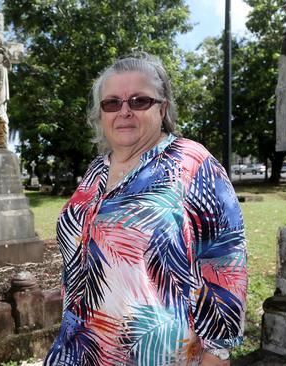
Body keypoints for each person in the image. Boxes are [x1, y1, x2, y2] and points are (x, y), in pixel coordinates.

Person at [45, 53, 247, 366]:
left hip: (155, 355)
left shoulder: (192, 163)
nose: (123, 111)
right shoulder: (97, 169)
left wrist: (217, 354)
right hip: (77, 351)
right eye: (112, 103)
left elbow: (226, 265)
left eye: (139, 101)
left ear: (162, 108)